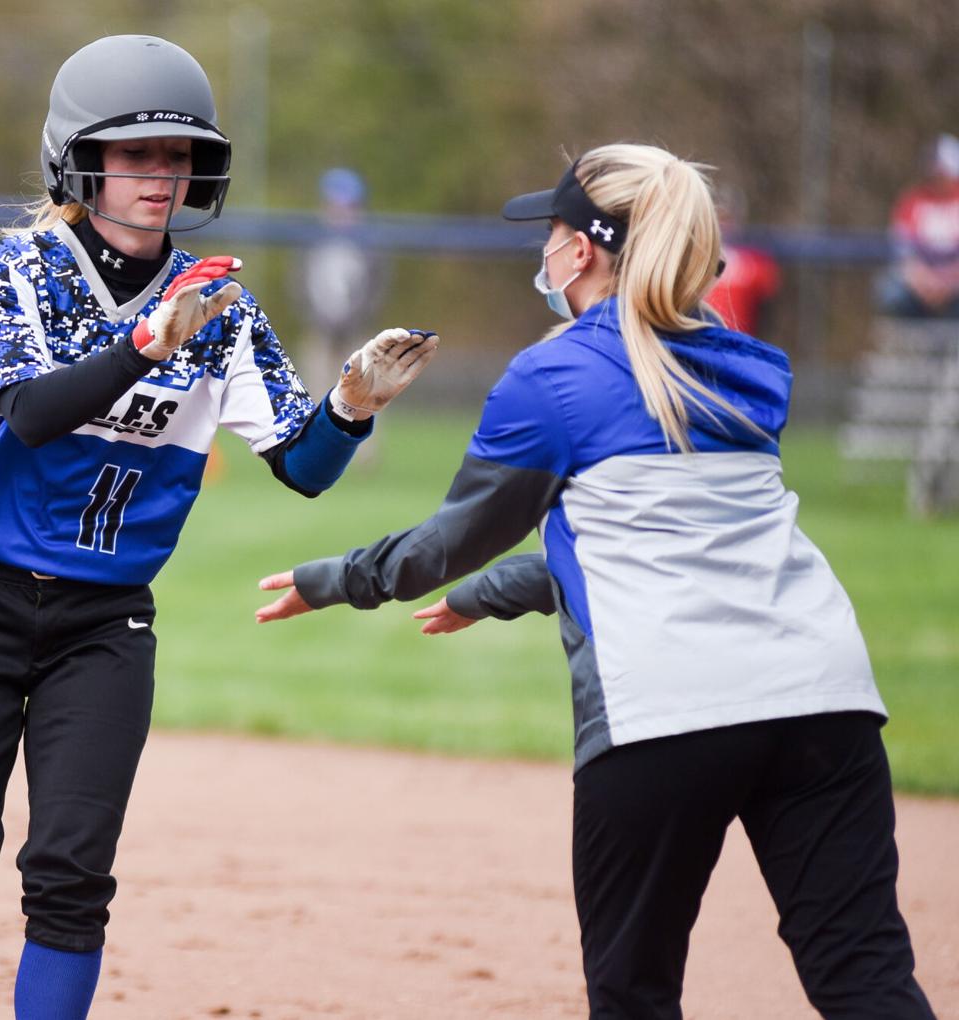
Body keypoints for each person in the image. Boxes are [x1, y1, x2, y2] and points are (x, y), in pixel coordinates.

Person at [255, 143, 936, 1019]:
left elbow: (446, 543)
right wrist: (493, 594)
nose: (542, 249)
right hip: (824, 697)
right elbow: (662, 542)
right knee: (863, 976)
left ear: (580, 251)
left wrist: (334, 579)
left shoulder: (553, 377)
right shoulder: (752, 367)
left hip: (666, 714)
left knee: (633, 993)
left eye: (552, 231)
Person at [0, 35, 438, 1020]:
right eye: (136, 151)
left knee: (69, 880)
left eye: (178, 155)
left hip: (103, 626)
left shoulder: (222, 307)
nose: (161, 174)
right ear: (78, 157)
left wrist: (353, 408)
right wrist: (142, 345)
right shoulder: (16, 273)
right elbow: (27, 412)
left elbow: (304, 471)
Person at [296, 167, 389, 397]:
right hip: (319, 330)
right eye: (334, 205)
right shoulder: (311, 242)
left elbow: (376, 290)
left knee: (363, 398)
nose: (341, 212)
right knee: (315, 396)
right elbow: (299, 286)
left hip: (357, 333)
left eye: (348, 206)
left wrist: (354, 320)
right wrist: (317, 317)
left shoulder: (370, 245)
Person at [875, 132, 959, 319]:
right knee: (889, 290)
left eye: (942, 169)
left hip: (954, 287)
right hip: (919, 286)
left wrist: (947, 283)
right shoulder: (912, 200)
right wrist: (925, 282)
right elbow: (902, 252)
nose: (936, 174)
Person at [704, 184, 781, 335]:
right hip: (700, 341)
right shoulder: (695, 255)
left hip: (738, 343)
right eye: (720, 216)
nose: (724, 223)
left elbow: (766, 311)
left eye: (728, 216)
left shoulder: (753, 260)